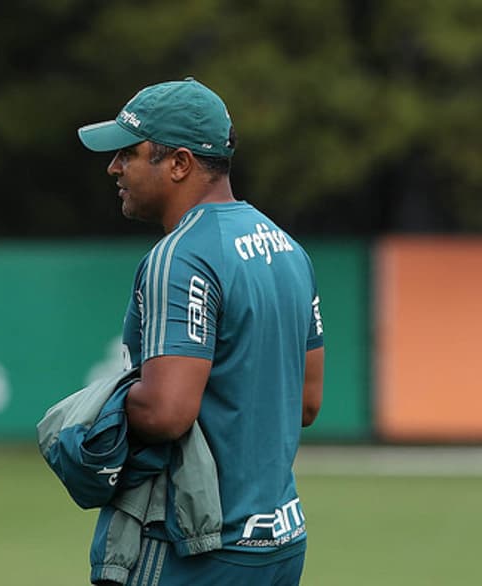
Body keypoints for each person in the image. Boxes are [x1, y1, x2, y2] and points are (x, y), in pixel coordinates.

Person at [75, 78, 324, 585]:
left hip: (198, 546)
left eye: (129, 153)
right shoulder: (288, 249)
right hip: (278, 541)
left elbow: (167, 412)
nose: (114, 167)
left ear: (180, 164)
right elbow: (307, 403)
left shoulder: (180, 253)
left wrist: (92, 416)